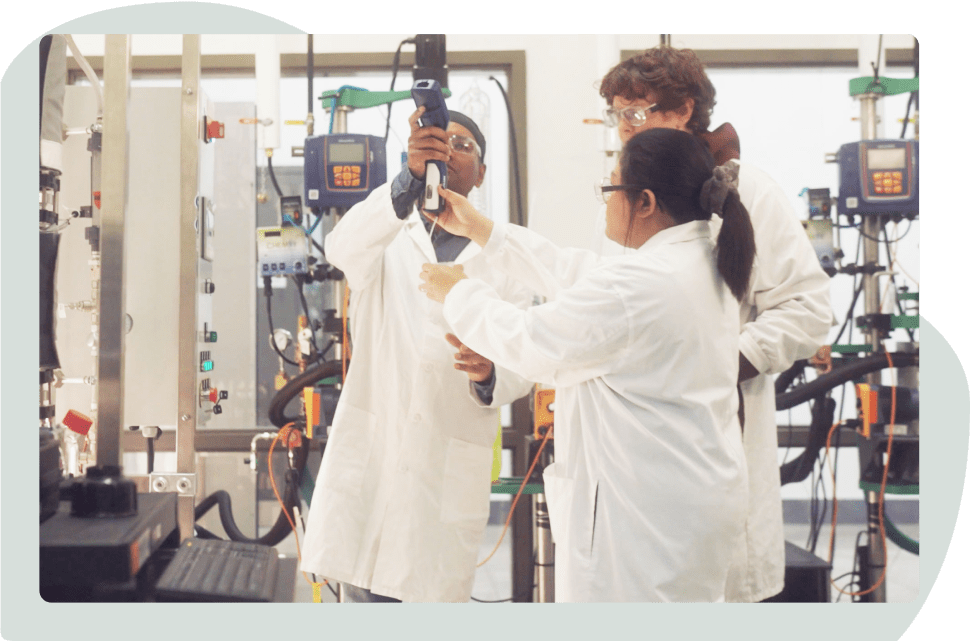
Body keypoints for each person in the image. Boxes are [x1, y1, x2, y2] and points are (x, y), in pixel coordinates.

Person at [419, 127, 755, 602]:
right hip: (685, 507)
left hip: (640, 527)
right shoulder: (697, 263)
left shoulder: (643, 284)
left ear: (645, 203)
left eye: (610, 189)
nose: (605, 202)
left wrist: (458, 291)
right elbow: (573, 272)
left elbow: (532, 341)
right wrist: (483, 231)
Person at [595, 46, 833, 602]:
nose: (623, 129)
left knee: (715, 595)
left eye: (636, 112)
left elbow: (806, 308)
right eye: (616, 115)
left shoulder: (745, 188)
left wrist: (714, 364)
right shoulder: (628, 190)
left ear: (684, 110)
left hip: (715, 433)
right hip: (640, 441)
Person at [299, 108, 534, 603]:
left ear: (482, 173)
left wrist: (492, 373)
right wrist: (404, 180)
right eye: (441, 143)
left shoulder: (505, 259)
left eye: (464, 145)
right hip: (375, 464)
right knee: (364, 596)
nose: (450, 151)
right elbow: (341, 247)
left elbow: (525, 356)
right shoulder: (388, 236)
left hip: (446, 466)